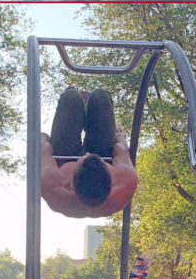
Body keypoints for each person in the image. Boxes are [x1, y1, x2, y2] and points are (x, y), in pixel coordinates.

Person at [40, 87, 139, 218]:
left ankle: (79, 109)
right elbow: (121, 149)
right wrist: (121, 138)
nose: (86, 154)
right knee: (100, 96)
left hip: (63, 159)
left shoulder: (51, 183)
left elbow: (42, 145)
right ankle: (89, 115)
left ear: (71, 184)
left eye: (84, 159)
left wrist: (41, 138)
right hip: (102, 153)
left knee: (71, 98)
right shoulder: (126, 180)